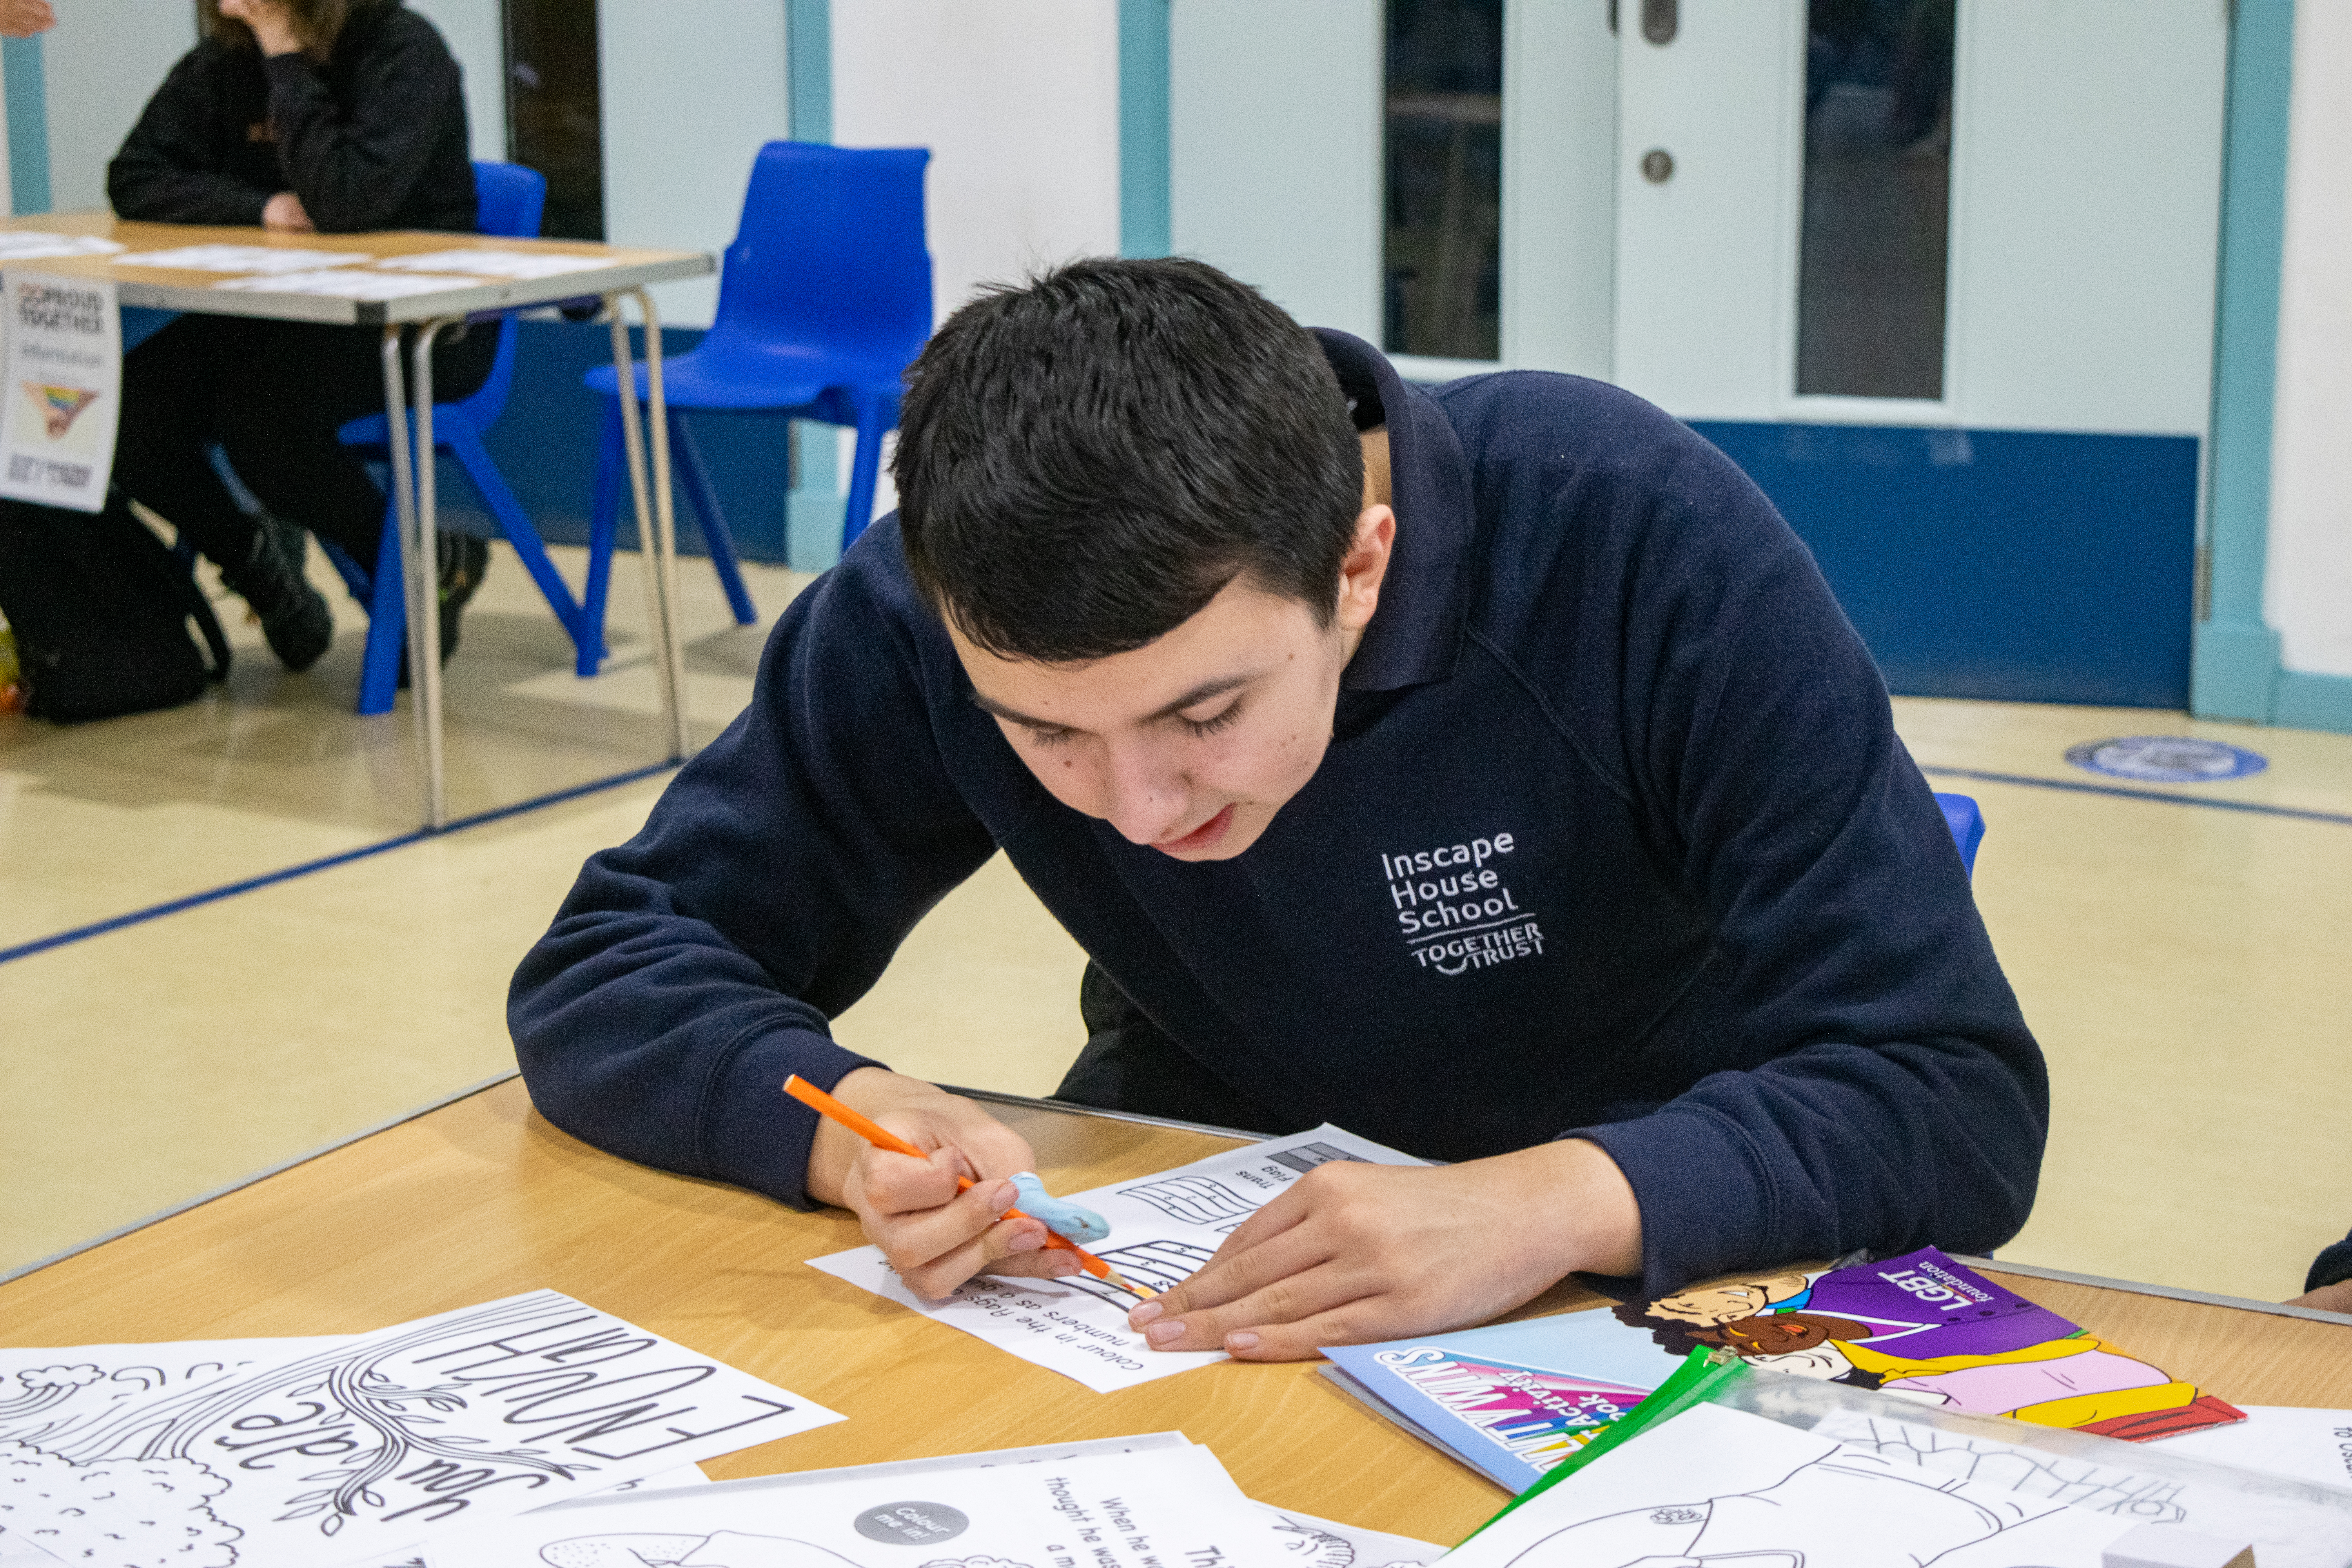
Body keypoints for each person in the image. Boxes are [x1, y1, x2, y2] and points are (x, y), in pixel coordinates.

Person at [510, 258, 2047, 1360]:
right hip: (1192, 1254)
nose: (1138, 805)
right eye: (1044, 733)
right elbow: (613, 962)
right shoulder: (933, 603)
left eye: (1205, 712)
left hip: (1655, 1259)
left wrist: (1559, 1199)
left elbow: (1949, 1093)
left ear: (1360, 567)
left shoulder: (1632, 538)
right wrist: (850, 1129)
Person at [96, 0, 491, 675]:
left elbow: (344, 200)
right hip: (279, 319)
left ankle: (418, 568)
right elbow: (134, 176)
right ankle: (259, 571)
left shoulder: (403, 51)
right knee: (122, 411)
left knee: (263, 424)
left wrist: (283, 49)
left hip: (417, 326)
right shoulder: (225, 60)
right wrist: (261, 208)